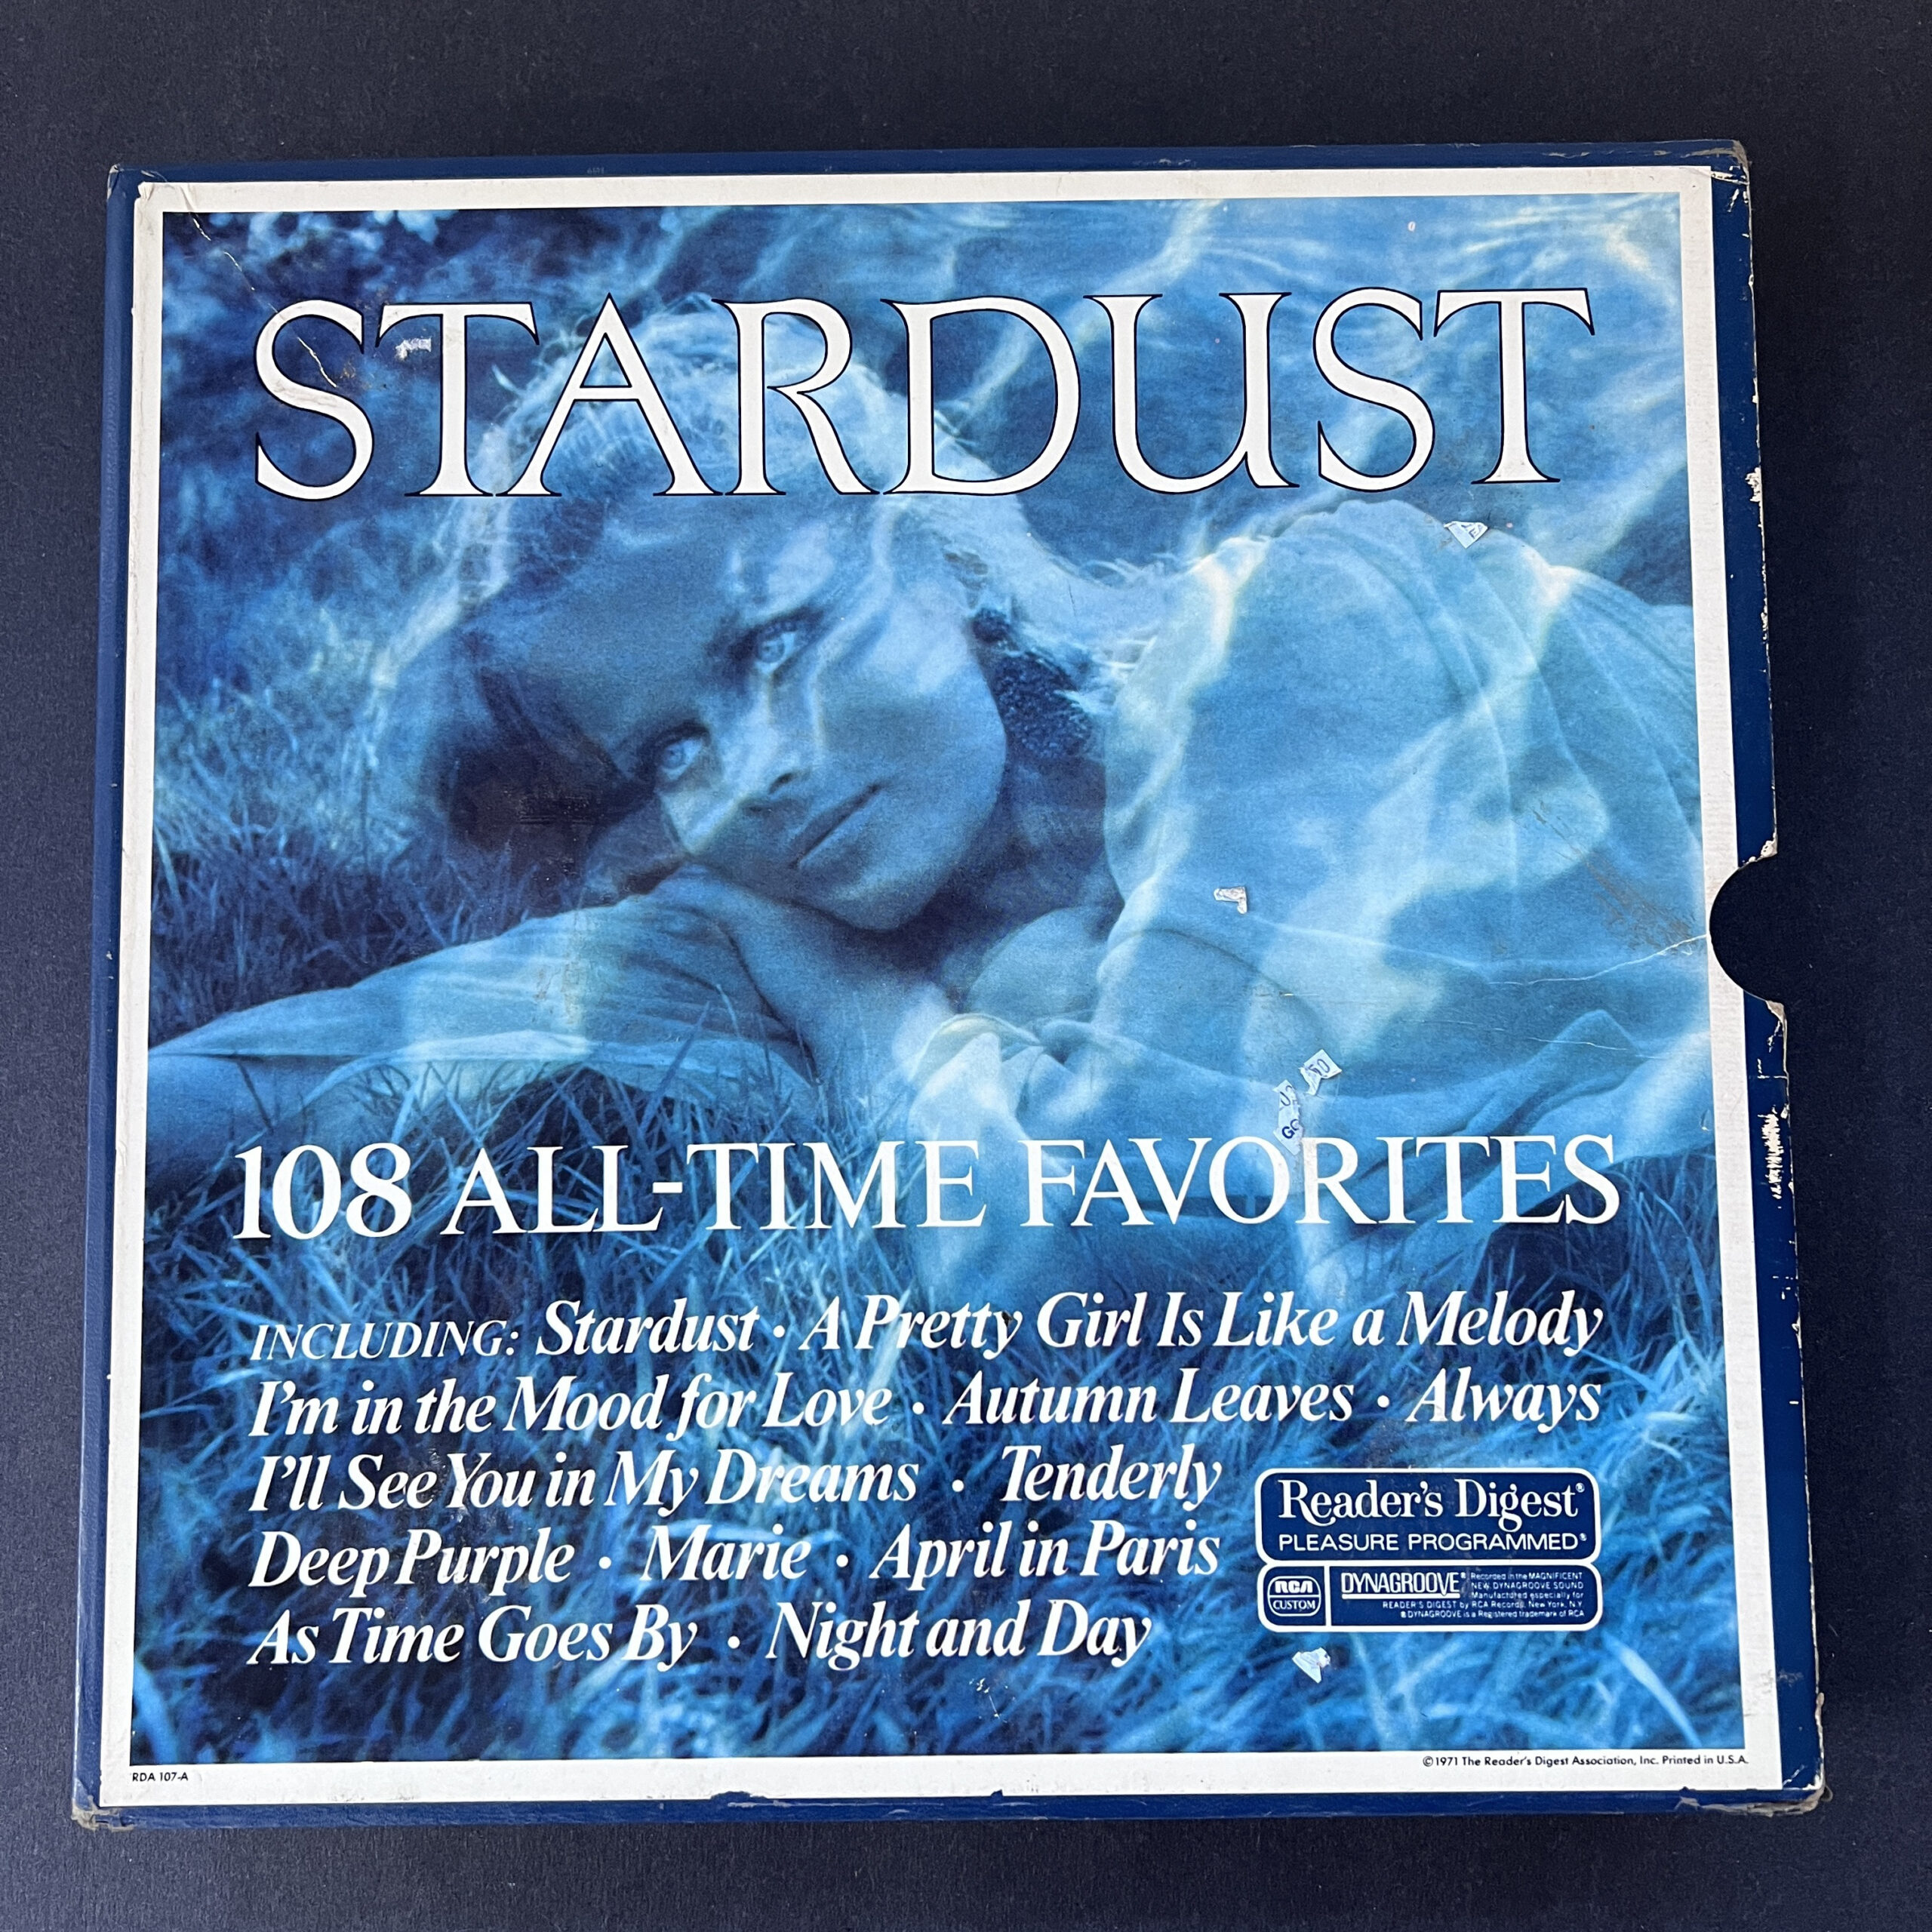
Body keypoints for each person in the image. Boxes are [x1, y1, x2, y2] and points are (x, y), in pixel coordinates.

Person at [146, 465, 1712, 1303]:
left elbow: (1134, 1262)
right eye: (674, 748)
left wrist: (855, 1008)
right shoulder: (791, 897)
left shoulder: (1293, 636)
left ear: (944, 557)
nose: (750, 773)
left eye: (774, 646)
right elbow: (310, 1058)